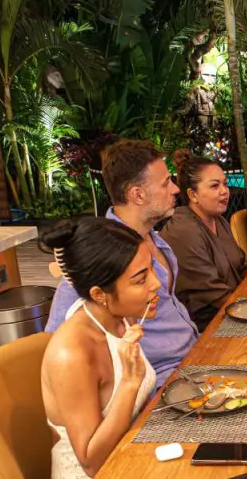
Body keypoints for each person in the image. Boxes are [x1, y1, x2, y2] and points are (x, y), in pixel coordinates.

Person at [45, 139, 198, 389]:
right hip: (160, 382)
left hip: (195, 354)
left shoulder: (156, 240)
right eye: (165, 183)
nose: (174, 189)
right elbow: (54, 342)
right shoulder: (101, 254)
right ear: (137, 194)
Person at [41, 217, 160, 479]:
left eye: (151, 270)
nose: (156, 283)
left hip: (132, 456)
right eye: (140, 279)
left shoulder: (120, 317)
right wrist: (130, 382)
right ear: (99, 294)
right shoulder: (72, 352)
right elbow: (92, 462)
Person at [161, 150, 247, 331]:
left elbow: (240, 266)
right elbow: (212, 293)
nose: (225, 191)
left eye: (225, 184)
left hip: (234, 306)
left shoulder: (218, 220)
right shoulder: (183, 230)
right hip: (207, 324)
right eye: (215, 186)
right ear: (193, 195)